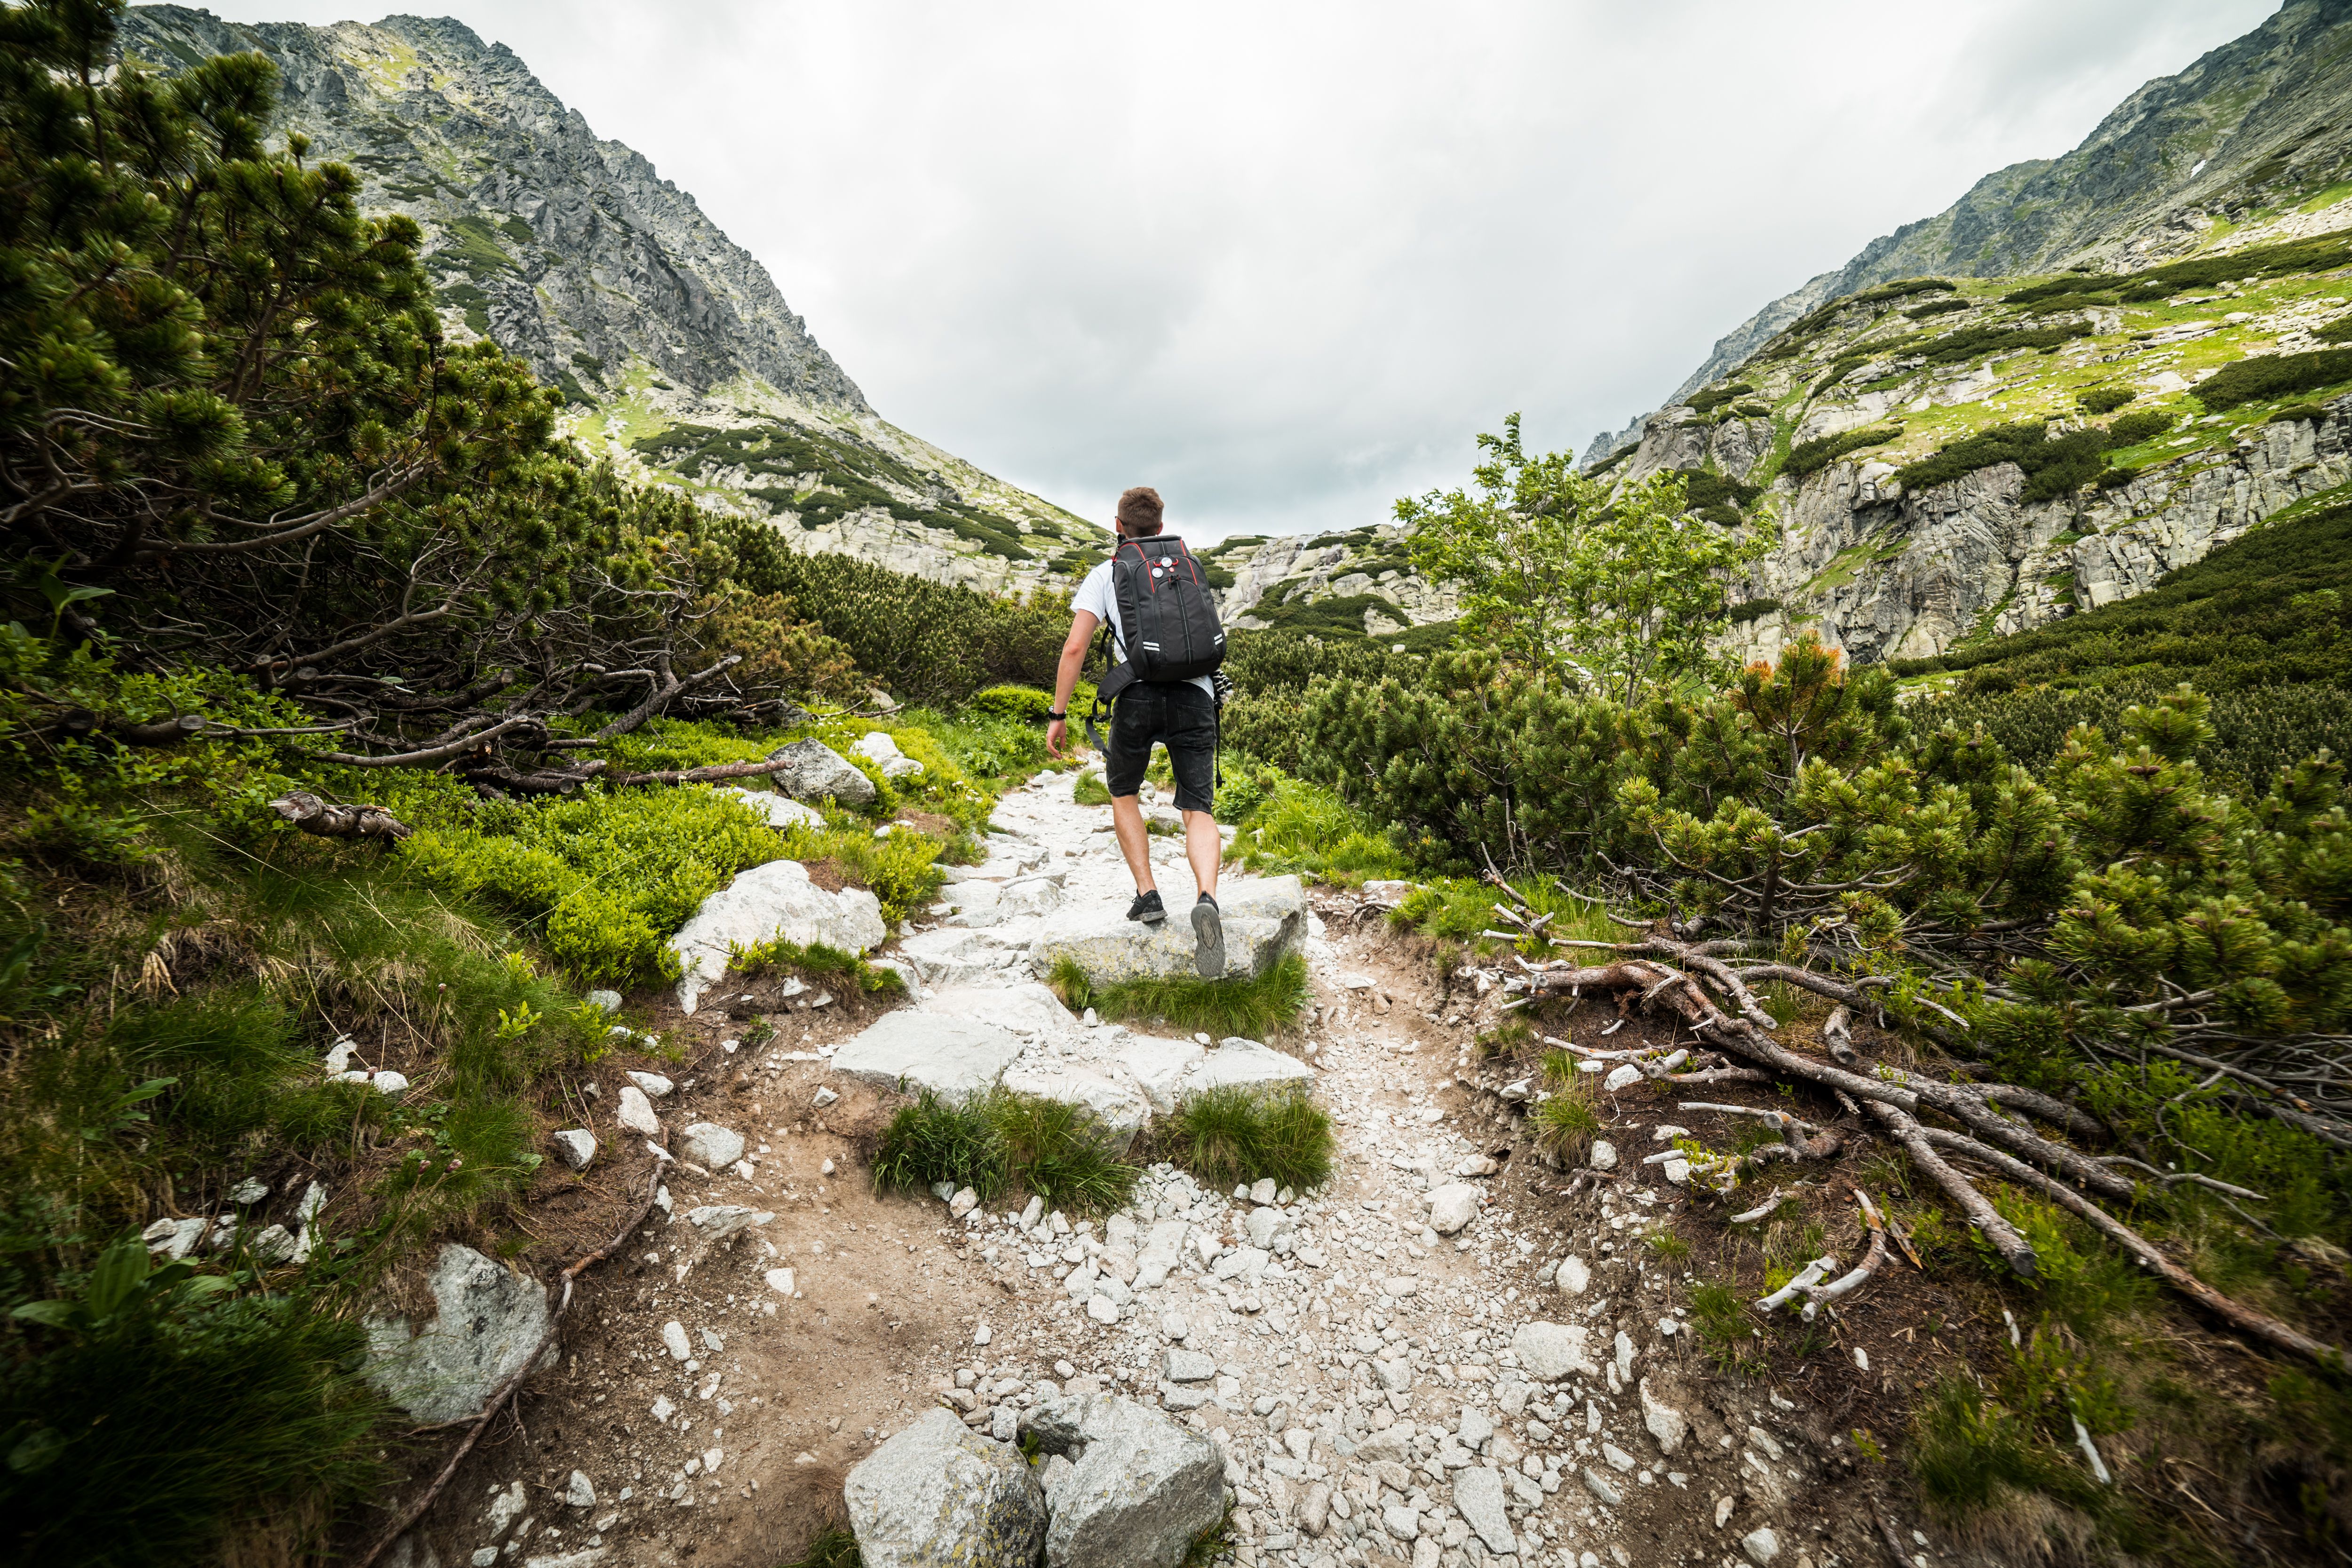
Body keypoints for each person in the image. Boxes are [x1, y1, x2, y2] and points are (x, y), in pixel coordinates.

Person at [1046, 486, 1227, 977]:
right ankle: (1206, 898)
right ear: (1161, 527)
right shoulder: (1187, 567)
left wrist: (1058, 714)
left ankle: (1147, 895)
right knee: (1197, 807)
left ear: (1118, 525)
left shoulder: (1106, 573)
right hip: (1195, 695)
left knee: (1123, 790)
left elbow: (1074, 649)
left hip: (1137, 696)